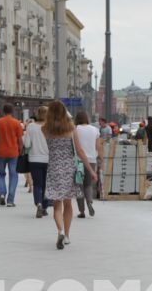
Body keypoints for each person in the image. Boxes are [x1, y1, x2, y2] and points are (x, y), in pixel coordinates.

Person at [41, 100, 95, 250]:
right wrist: (91, 170)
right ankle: (68, 236)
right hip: (69, 169)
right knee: (68, 204)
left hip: (54, 168)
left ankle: (60, 231)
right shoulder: (71, 129)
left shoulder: (45, 129)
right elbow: (80, 151)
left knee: (57, 205)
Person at [0, 103, 26, 207]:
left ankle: (1, 194)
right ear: (12, 111)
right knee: (13, 175)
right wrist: (21, 151)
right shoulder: (16, 123)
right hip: (13, 152)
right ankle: (10, 200)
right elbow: (20, 140)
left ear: (3, 111)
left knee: (0, 174)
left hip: (1, 152)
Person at [22, 110, 51, 217]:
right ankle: (44, 207)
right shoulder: (50, 127)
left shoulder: (30, 126)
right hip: (48, 159)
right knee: (46, 184)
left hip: (34, 159)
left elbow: (27, 144)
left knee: (37, 184)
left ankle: (38, 203)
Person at [73, 111, 102, 218]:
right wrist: (100, 159)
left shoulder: (75, 129)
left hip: (78, 160)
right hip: (92, 160)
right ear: (87, 118)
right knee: (88, 184)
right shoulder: (95, 130)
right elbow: (98, 146)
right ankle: (89, 201)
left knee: (79, 186)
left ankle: (82, 211)